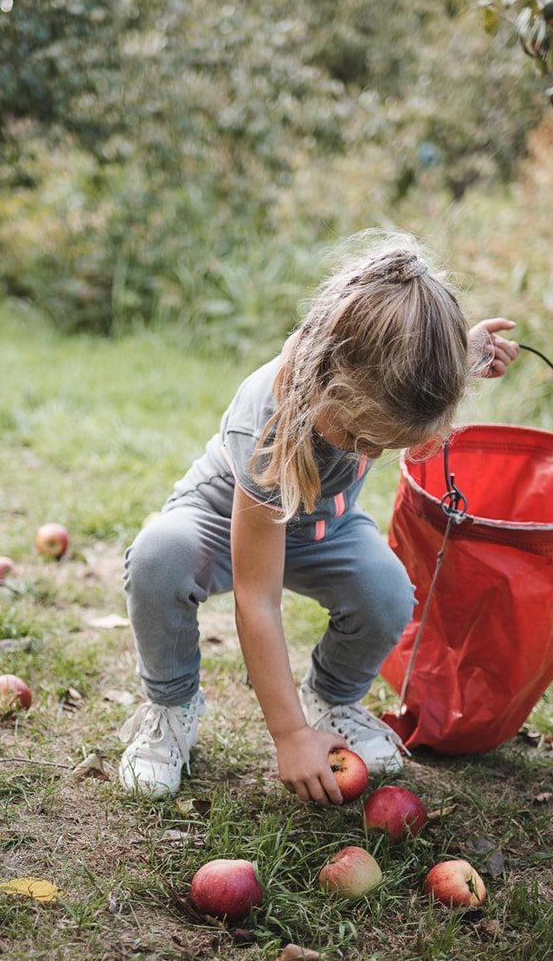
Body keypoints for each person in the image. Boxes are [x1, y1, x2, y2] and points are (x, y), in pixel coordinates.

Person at [118, 233, 520, 802]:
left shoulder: (376, 373)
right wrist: (289, 736)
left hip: (321, 529)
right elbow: (257, 600)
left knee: (387, 592)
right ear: (327, 382)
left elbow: (413, 367)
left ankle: (333, 697)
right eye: (359, 437)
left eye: (384, 444)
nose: (369, 453)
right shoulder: (270, 425)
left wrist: (463, 356)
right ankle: (171, 708)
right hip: (223, 519)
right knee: (160, 557)